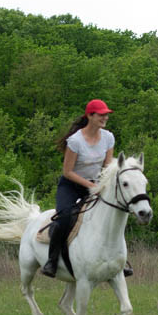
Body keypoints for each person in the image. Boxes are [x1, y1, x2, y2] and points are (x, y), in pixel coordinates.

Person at [42, 98, 133, 278]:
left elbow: (107, 166)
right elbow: (67, 172)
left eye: (106, 115)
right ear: (90, 116)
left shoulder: (108, 137)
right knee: (64, 218)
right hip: (71, 186)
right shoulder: (75, 141)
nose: (105, 117)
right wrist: (91, 185)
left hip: (96, 184)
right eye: (101, 114)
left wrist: (102, 185)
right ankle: (52, 261)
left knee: (113, 215)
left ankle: (119, 262)